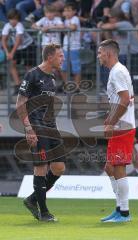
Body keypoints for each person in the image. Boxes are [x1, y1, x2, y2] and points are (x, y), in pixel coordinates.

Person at [16, 43, 65, 222]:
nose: (63, 59)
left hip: (51, 127)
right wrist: (28, 128)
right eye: (60, 56)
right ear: (50, 57)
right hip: (36, 127)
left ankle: (31, 199)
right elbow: (20, 103)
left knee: (59, 167)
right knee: (41, 167)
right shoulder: (32, 75)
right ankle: (44, 213)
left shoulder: (52, 78)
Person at [97, 39, 135, 223]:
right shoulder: (117, 70)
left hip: (123, 126)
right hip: (120, 124)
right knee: (109, 167)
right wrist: (109, 118)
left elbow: (125, 100)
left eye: (100, 52)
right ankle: (119, 208)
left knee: (118, 167)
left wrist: (112, 122)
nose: (98, 56)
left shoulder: (117, 71)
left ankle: (125, 213)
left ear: (108, 53)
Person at [1, 9, 35, 95]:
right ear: (9, 19)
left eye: (15, 19)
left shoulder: (20, 25)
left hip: (28, 45)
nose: (13, 21)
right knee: (12, 64)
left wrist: (11, 53)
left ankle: (29, 86)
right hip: (18, 47)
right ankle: (17, 85)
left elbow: (18, 41)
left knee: (28, 66)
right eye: (11, 19)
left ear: (18, 19)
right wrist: (7, 52)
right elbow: (3, 40)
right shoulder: (7, 26)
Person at [61, 2, 81, 89]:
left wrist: (62, 27)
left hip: (75, 47)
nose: (67, 13)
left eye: (69, 11)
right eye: (65, 11)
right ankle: (67, 85)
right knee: (63, 68)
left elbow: (73, 27)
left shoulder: (75, 18)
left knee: (76, 69)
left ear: (74, 11)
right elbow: (65, 32)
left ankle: (77, 87)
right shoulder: (65, 21)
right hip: (65, 47)